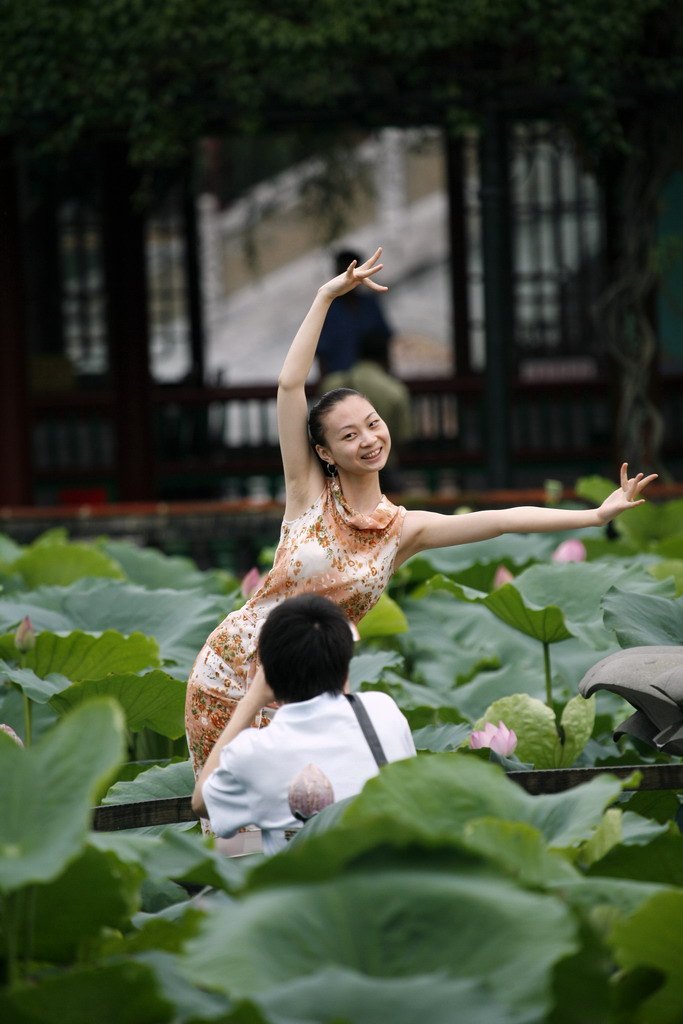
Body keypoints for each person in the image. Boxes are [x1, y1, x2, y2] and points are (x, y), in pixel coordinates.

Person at [185, 246, 657, 780]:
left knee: (301, 824)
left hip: (306, 694)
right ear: (324, 452)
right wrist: (325, 297)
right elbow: (291, 385)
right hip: (230, 672)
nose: (368, 439)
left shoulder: (402, 529)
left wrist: (594, 517)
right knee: (231, 830)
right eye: (348, 434)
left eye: (373, 423)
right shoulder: (308, 494)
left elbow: (501, 520)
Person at [191, 594, 416, 852]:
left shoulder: (253, 753)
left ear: (271, 673)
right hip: (390, 884)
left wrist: (251, 699)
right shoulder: (383, 711)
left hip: (306, 888)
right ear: (345, 662)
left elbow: (200, 802)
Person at [319, 328, 413, 491]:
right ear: (386, 355)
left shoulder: (331, 383)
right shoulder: (394, 391)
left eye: (373, 423)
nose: (367, 440)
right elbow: (403, 438)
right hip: (383, 470)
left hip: (337, 470)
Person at [315, 249, 393, 375]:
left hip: (371, 378)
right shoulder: (327, 309)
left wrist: (388, 375)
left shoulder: (370, 305)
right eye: (344, 272)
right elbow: (320, 352)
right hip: (339, 380)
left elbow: (385, 343)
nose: (348, 278)